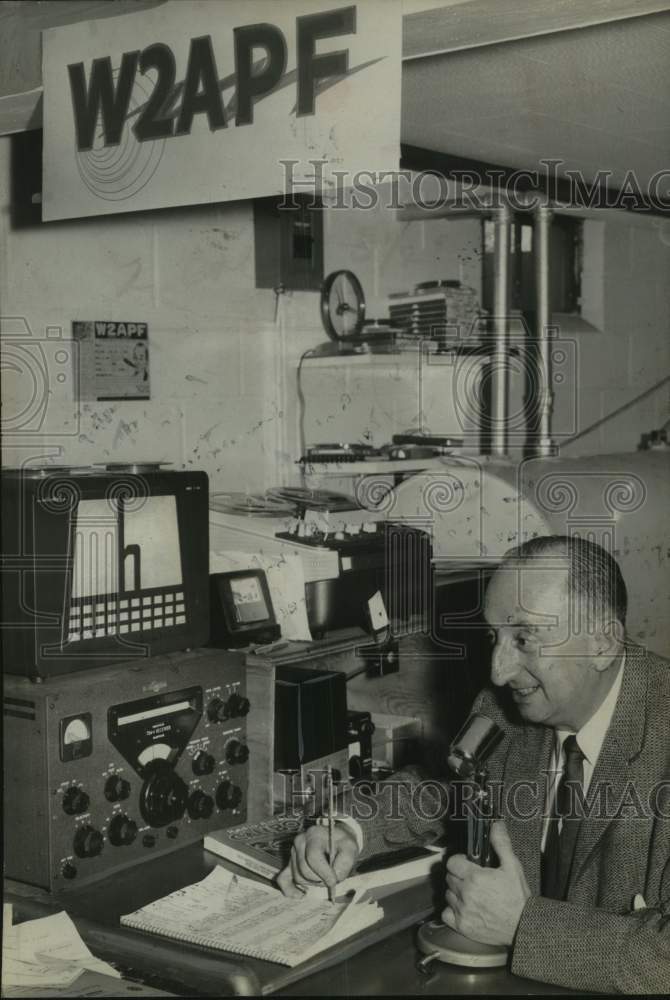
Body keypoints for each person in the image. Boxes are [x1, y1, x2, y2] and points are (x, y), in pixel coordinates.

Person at [278, 536, 670, 993]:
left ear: (603, 642)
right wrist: (347, 827)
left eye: (524, 638)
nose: (499, 671)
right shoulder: (507, 706)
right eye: (494, 637)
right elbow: (443, 790)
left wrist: (524, 926)